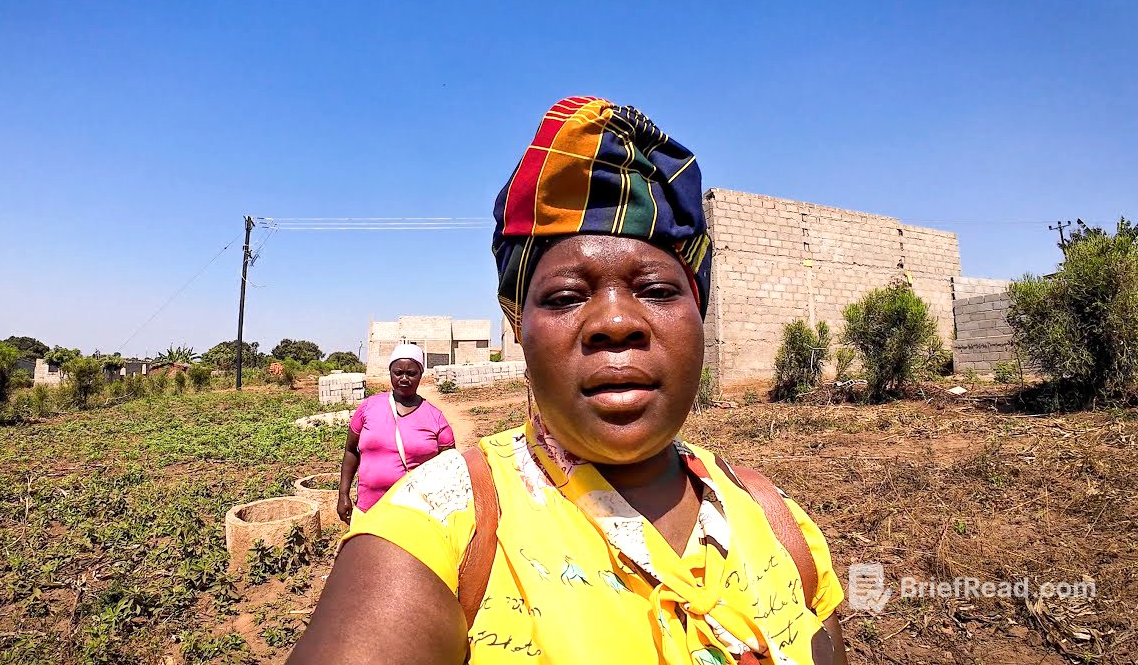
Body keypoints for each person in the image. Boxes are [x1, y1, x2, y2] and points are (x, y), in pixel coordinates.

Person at [292, 97, 847, 665]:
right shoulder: (447, 525)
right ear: (521, 330)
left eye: (657, 290)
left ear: (698, 315)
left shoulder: (775, 520)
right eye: (564, 297)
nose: (615, 322)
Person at [337, 343, 455, 524]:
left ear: (421, 374)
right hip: (369, 511)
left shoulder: (435, 418)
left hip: (415, 515)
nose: (404, 378)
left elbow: (450, 468)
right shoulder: (369, 407)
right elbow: (351, 451)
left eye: (411, 373)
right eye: (398, 373)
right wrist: (343, 494)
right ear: (390, 373)